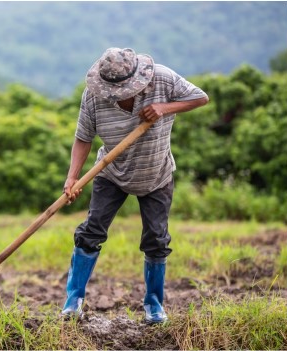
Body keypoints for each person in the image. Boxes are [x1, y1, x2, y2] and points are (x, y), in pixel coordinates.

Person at [60, 47, 209, 324]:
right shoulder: (94, 95)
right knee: (91, 231)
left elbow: (200, 98)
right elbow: (83, 137)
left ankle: (154, 306)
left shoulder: (163, 79)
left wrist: (164, 108)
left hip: (156, 174)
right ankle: (73, 302)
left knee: (156, 239)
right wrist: (72, 177)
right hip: (111, 172)